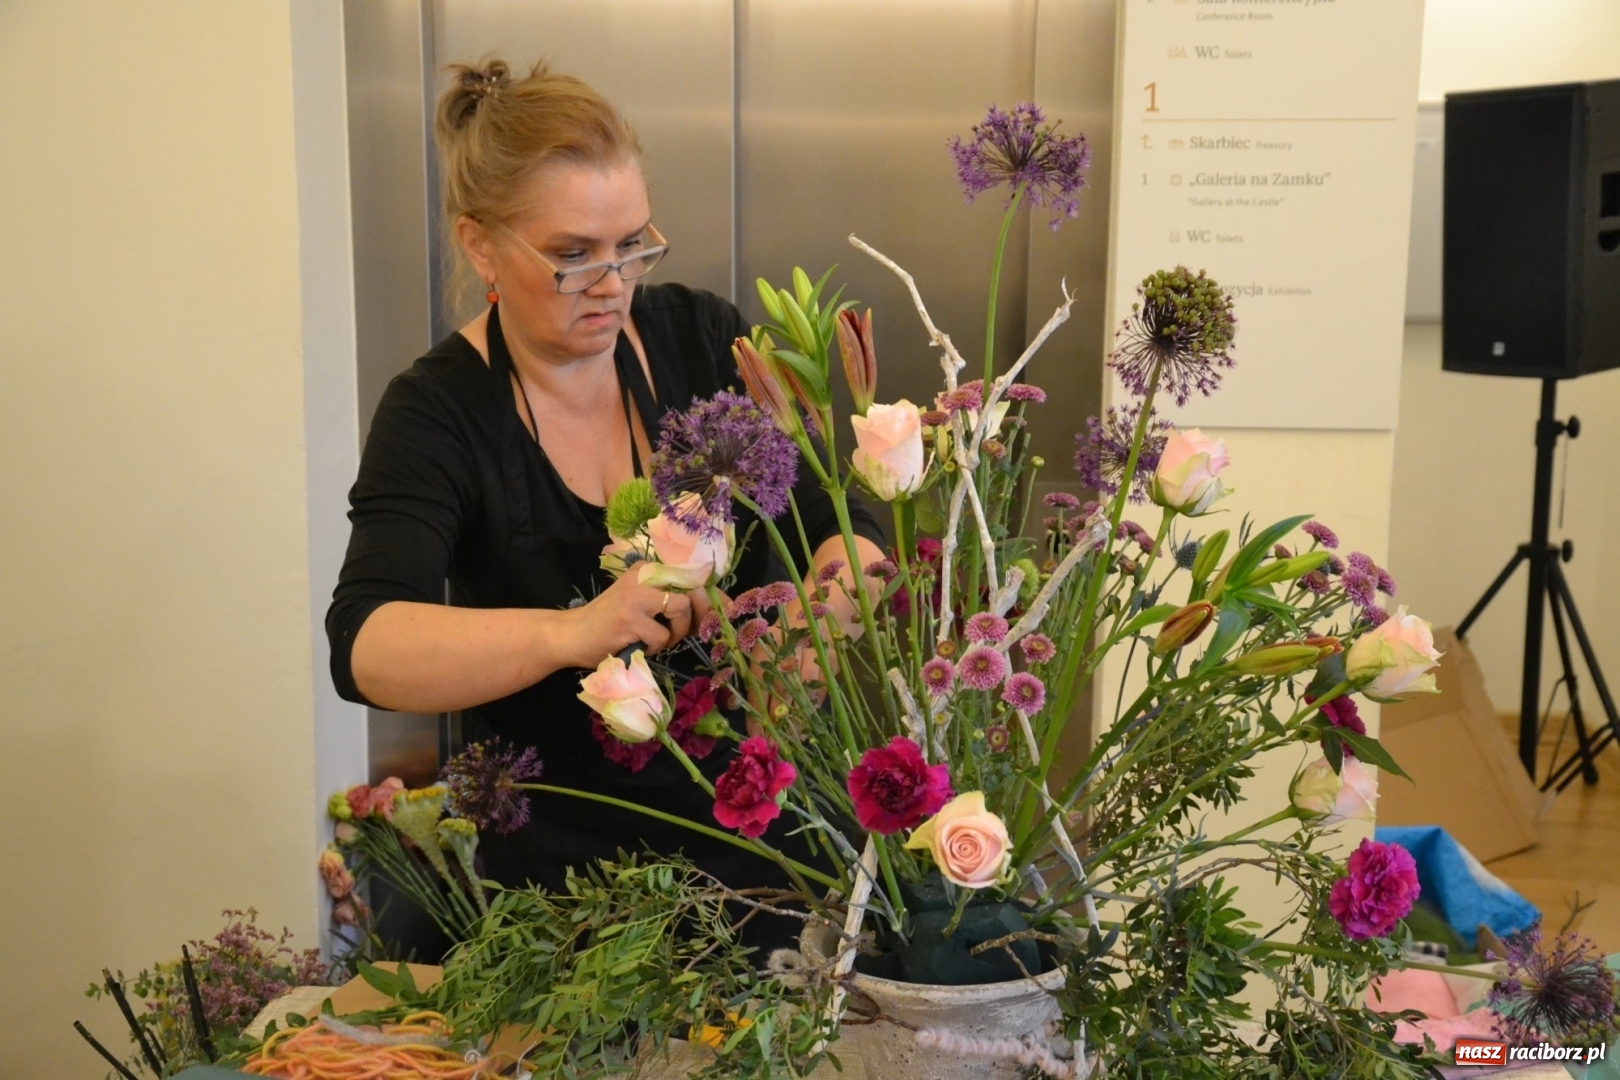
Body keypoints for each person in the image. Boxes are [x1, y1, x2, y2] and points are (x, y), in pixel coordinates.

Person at [325, 59, 886, 947]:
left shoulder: (700, 338)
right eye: (572, 254)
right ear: (479, 245)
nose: (612, 281)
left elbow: (847, 531)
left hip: (764, 859)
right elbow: (366, 646)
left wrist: (817, 626)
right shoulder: (438, 411)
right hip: (563, 897)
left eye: (632, 244)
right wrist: (577, 631)